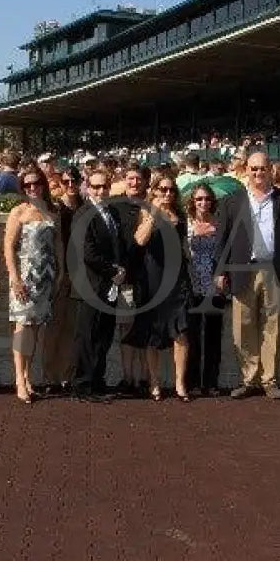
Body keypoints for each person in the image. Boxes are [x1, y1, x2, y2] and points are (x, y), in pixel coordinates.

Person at [214, 151, 280, 399]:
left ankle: (269, 380)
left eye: (262, 168)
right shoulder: (232, 201)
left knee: (273, 326)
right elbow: (222, 239)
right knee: (243, 326)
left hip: (274, 269)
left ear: (270, 169)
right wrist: (220, 271)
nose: (258, 173)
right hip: (242, 270)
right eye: (253, 169)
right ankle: (248, 379)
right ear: (245, 171)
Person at [122, 175, 192, 402]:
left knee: (181, 330)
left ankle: (180, 383)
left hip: (177, 277)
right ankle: (154, 381)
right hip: (152, 277)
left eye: (171, 190)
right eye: (163, 190)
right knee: (152, 329)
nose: (168, 194)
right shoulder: (145, 212)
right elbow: (140, 240)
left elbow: (185, 246)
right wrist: (154, 213)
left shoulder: (179, 215)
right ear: (154, 191)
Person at [4, 167, 61, 404]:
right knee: (22, 327)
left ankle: (28, 376)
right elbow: (8, 246)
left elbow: (59, 244)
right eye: (26, 185)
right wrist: (15, 278)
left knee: (36, 328)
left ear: (43, 184)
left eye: (36, 183)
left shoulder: (52, 211)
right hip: (25, 275)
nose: (32, 188)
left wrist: (61, 273)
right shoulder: (19, 212)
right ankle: (19, 378)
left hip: (46, 276)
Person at [70, 170, 126, 402]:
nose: (100, 191)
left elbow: (118, 245)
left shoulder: (111, 212)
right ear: (88, 187)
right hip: (91, 284)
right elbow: (88, 253)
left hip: (109, 285)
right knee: (88, 335)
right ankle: (83, 384)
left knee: (104, 334)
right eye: (95, 187)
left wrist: (120, 269)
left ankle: (97, 380)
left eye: (104, 187)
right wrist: (114, 271)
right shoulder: (82, 214)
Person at [111, 162, 151, 397]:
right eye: (130, 179)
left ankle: (144, 378)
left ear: (145, 181)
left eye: (138, 179)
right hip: (126, 277)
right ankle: (128, 378)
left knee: (145, 329)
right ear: (124, 180)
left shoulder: (153, 205)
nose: (134, 183)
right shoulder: (116, 206)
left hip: (150, 277)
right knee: (126, 328)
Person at [41, 166, 82, 392]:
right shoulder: (55, 209)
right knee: (53, 328)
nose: (70, 185)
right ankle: (49, 377)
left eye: (73, 180)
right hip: (59, 273)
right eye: (65, 181)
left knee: (71, 328)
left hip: (80, 275)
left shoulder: (85, 208)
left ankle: (66, 376)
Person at [185, 183, 225, 396]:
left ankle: (211, 382)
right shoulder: (186, 224)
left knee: (213, 336)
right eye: (199, 199)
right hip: (192, 284)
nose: (203, 203)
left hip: (214, 285)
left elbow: (225, 252)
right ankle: (191, 382)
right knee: (192, 336)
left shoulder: (219, 224)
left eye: (207, 199)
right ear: (192, 201)